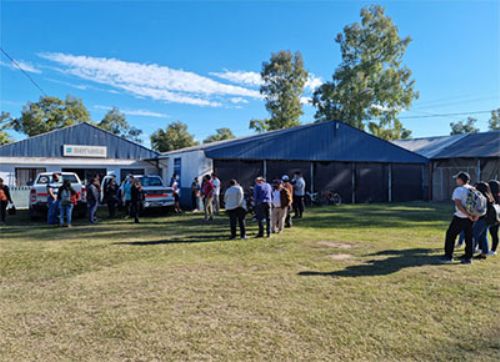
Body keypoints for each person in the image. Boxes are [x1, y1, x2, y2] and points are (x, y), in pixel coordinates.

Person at [441, 171, 477, 264]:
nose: (456, 180)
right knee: (469, 237)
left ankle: (448, 256)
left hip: (460, 216)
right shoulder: (473, 189)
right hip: (471, 218)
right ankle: (468, 258)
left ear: (461, 180)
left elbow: (458, 203)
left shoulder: (459, 190)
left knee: (451, 235)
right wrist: (473, 215)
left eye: (457, 178)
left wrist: (466, 214)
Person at [472, 182, 495, 259]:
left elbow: (481, 210)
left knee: (473, 235)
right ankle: (484, 253)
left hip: (482, 219)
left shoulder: (482, 197)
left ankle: (469, 252)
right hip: (488, 220)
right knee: (483, 236)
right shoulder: (490, 197)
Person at [488, 180, 499, 255]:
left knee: (493, 233)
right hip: (496, 217)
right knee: (493, 233)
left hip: (495, 217)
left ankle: (493, 250)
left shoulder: (493, 196)